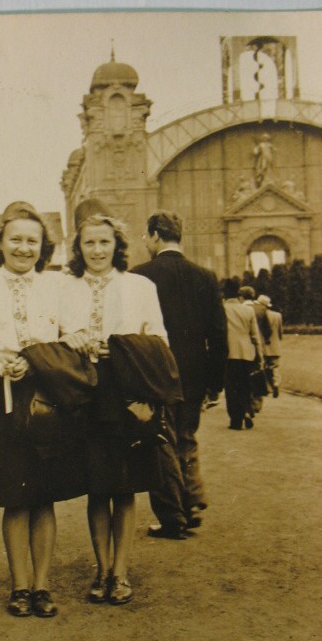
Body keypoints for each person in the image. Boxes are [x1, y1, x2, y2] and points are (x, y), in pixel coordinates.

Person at [0, 202, 86, 620]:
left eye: (32, 240)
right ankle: (19, 586)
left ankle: (42, 586)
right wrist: (1, 361)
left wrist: (37, 360)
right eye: (15, 239)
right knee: (15, 497)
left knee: (44, 495)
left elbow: (73, 339)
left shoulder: (57, 284)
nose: (23, 247)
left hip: (46, 394)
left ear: (42, 246)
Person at [59, 199, 179, 605]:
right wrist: (70, 339)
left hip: (125, 392)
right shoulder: (65, 288)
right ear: (79, 247)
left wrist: (123, 348)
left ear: (117, 244)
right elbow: (53, 333)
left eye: (104, 242)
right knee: (97, 487)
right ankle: (102, 569)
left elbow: (159, 341)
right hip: (84, 392)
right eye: (89, 243)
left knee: (125, 486)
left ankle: (121, 572)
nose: (97, 250)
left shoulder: (140, 287)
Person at [132, 210, 228, 537]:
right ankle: (193, 499)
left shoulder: (139, 276)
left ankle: (172, 516)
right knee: (186, 435)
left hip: (156, 371)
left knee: (159, 441)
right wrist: (215, 383)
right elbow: (218, 335)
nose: (145, 242)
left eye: (146, 236)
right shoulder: (205, 276)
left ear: (156, 235)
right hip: (195, 374)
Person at [222, 278, 264, 430]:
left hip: (229, 353)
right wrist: (260, 356)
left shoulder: (221, 309)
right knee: (245, 385)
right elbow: (255, 336)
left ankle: (236, 420)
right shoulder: (248, 310)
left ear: (224, 293)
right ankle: (247, 410)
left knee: (231, 387)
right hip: (247, 353)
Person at [257, 295, 283, 398]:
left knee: (263, 367)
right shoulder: (278, 315)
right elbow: (280, 331)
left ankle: (268, 387)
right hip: (275, 345)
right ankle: (276, 383)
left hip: (263, 345)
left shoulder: (259, 315)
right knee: (275, 366)